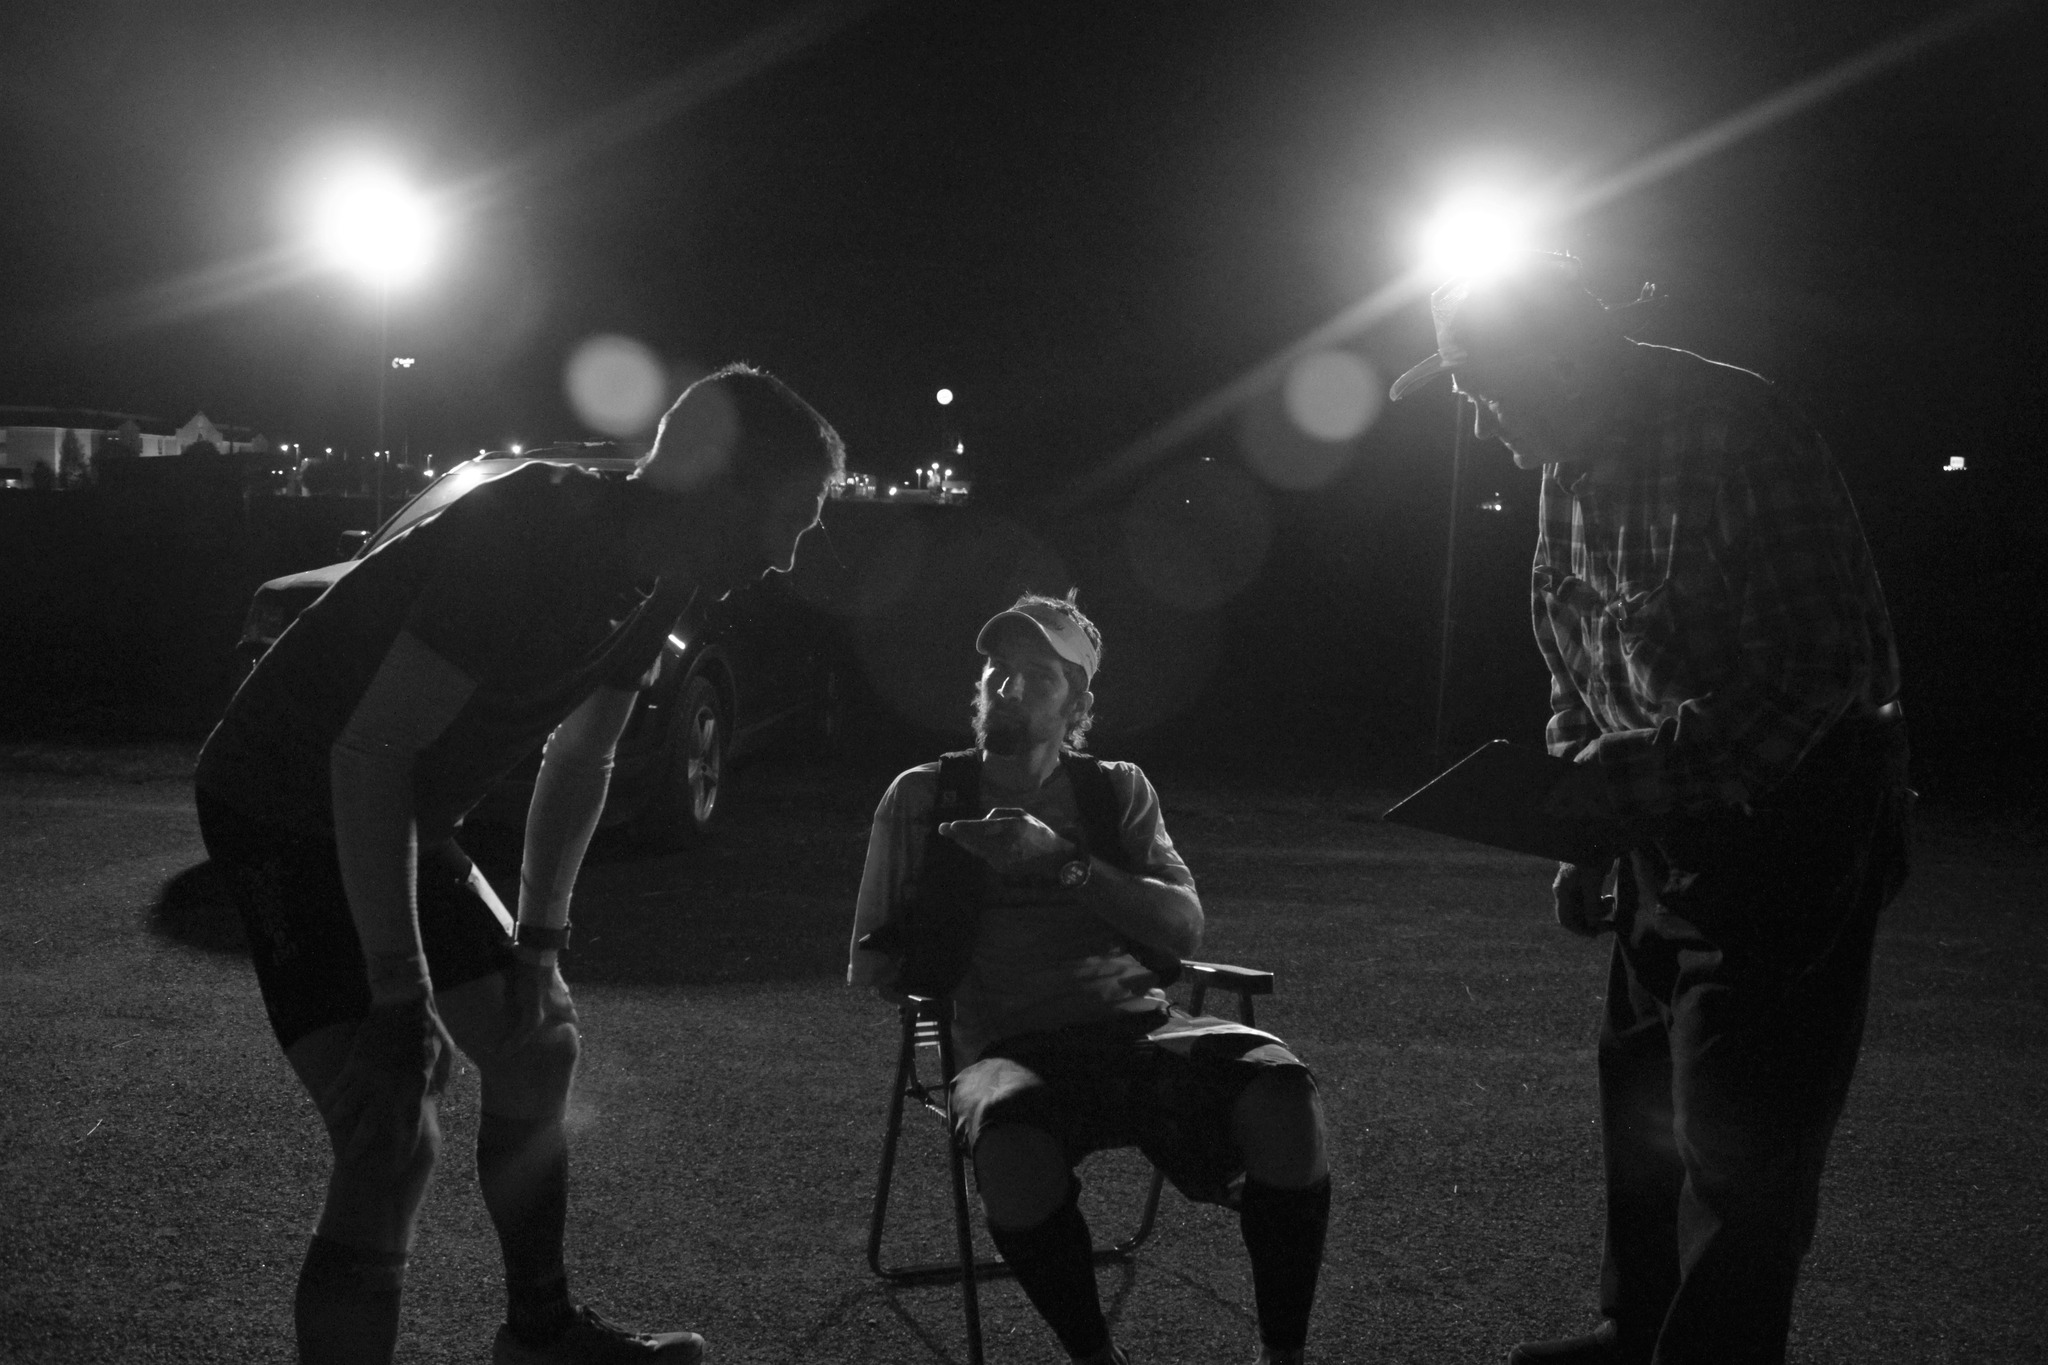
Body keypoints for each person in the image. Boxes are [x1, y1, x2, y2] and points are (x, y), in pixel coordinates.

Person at [195, 363, 844, 1365]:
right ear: (723, 486)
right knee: (389, 1131)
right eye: (794, 515)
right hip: (280, 802)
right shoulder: (533, 532)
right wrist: (398, 994)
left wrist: (540, 946)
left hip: (391, 807)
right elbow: (364, 755)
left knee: (537, 1043)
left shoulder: (661, 578)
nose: (792, 552)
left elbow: (580, 754)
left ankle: (539, 1338)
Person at [1390, 255, 1912, 1365]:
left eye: (1485, 390)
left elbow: (1816, 671)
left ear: (1563, 358)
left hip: (1792, 828)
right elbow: (1569, 657)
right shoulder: (1561, 462)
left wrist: (1608, 792)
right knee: (1637, 1096)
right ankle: (1634, 1333)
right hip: (1658, 823)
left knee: (1739, 1139)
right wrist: (1582, 830)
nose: (1480, 423)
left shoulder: (1735, 428)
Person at [847, 592, 1331, 1365]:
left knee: (1284, 1093)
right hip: (1006, 1045)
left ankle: (1283, 1354)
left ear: (1077, 699)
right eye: (996, 671)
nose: (1006, 689)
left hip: (1135, 1027)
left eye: (1036, 675)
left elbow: (1183, 930)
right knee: (1010, 1144)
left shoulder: (1115, 789)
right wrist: (945, 932)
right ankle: (1096, 1358)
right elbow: (880, 971)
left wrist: (1059, 863)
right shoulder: (921, 798)